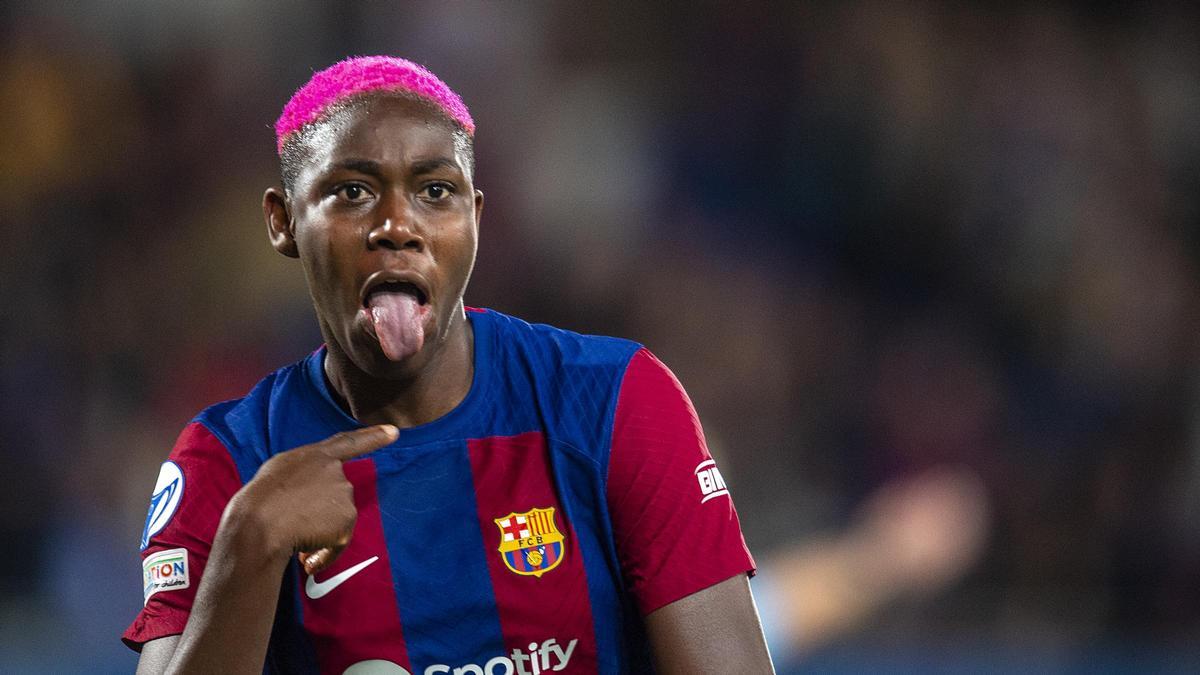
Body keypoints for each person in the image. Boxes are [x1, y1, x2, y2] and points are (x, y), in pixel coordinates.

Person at [125, 56, 774, 675]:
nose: (398, 225)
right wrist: (252, 541)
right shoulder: (227, 464)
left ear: (475, 217)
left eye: (436, 190)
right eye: (352, 191)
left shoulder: (613, 403)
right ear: (284, 221)